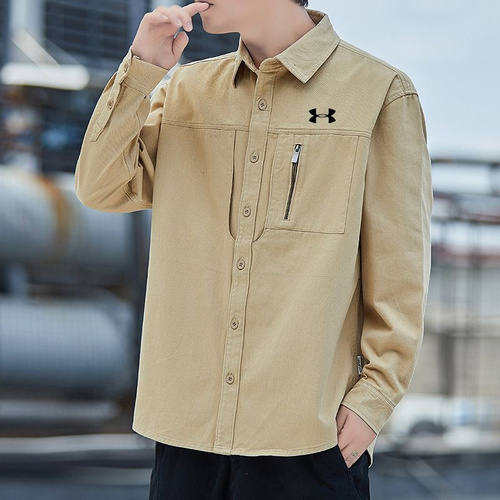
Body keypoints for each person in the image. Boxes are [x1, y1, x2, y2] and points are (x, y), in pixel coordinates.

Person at [74, 0, 433, 498]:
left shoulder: (378, 94)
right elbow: (100, 188)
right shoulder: (185, 90)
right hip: (186, 438)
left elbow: (400, 272)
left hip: (309, 440)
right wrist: (140, 71)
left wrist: (373, 400)